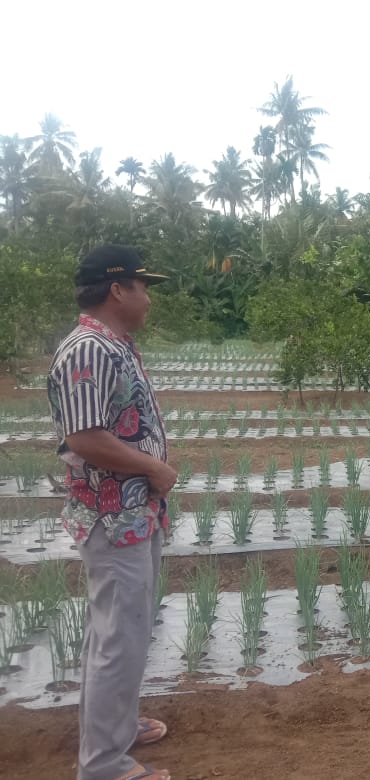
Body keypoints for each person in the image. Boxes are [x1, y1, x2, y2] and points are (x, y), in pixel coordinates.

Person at [48, 245, 177, 780]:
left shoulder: (113, 345)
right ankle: (103, 764)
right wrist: (153, 467)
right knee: (117, 638)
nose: (148, 298)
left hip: (133, 513)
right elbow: (84, 437)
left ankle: (116, 726)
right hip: (113, 517)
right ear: (117, 289)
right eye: (143, 287)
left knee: (122, 631)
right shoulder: (88, 351)